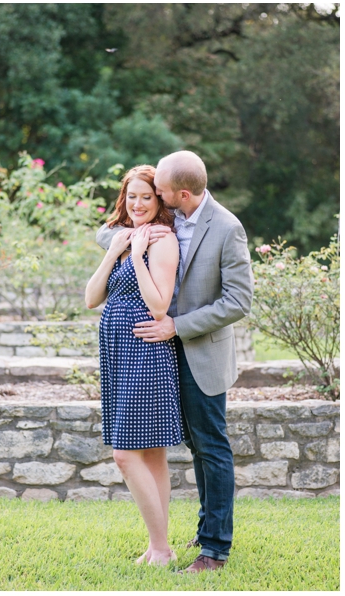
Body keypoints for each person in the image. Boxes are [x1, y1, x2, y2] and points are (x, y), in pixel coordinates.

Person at [96, 151, 253, 574]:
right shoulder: (166, 219)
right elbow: (111, 226)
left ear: (181, 193)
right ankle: (198, 533)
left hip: (198, 350)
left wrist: (176, 326)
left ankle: (214, 549)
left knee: (210, 447)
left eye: (161, 191)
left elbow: (239, 301)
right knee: (174, 448)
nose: (155, 198)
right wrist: (125, 239)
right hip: (155, 354)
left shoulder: (226, 228)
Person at [85, 164, 183, 566]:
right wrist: (116, 250)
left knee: (125, 455)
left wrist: (139, 256)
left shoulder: (162, 240)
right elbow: (92, 297)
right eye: (132, 196)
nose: (138, 203)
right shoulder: (122, 237)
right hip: (119, 351)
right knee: (153, 454)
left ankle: (160, 548)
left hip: (146, 350)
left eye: (147, 196)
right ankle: (158, 545)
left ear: (159, 199)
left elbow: (159, 305)